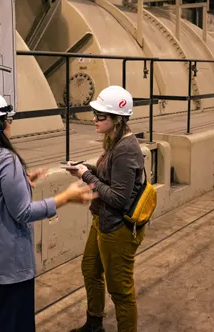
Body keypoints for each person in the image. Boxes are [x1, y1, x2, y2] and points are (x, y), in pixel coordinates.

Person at [0, 90, 95, 332]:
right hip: (6, 267)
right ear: (1, 124)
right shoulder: (6, 159)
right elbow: (23, 213)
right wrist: (65, 198)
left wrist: (21, 182)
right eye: (9, 119)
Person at [66, 86, 146, 332]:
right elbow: (108, 176)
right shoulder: (115, 141)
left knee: (120, 290)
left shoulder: (125, 150)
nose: (94, 119)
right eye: (95, 114)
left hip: (118, 228)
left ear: (117, 119)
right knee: (90, 270)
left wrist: (86, 175)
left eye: (101, 115)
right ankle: (94, 324)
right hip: (102, 220)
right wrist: (84, 167)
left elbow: (118, 198)